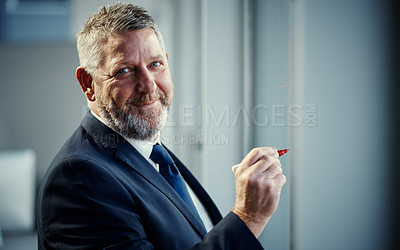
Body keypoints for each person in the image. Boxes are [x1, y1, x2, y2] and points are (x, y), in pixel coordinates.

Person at [37, 3, 286, 249]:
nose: (149, 84)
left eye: (155, 64)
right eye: (124, 71)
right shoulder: (78, 178)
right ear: (88, 83)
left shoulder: (149, 150)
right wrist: (248, 218)